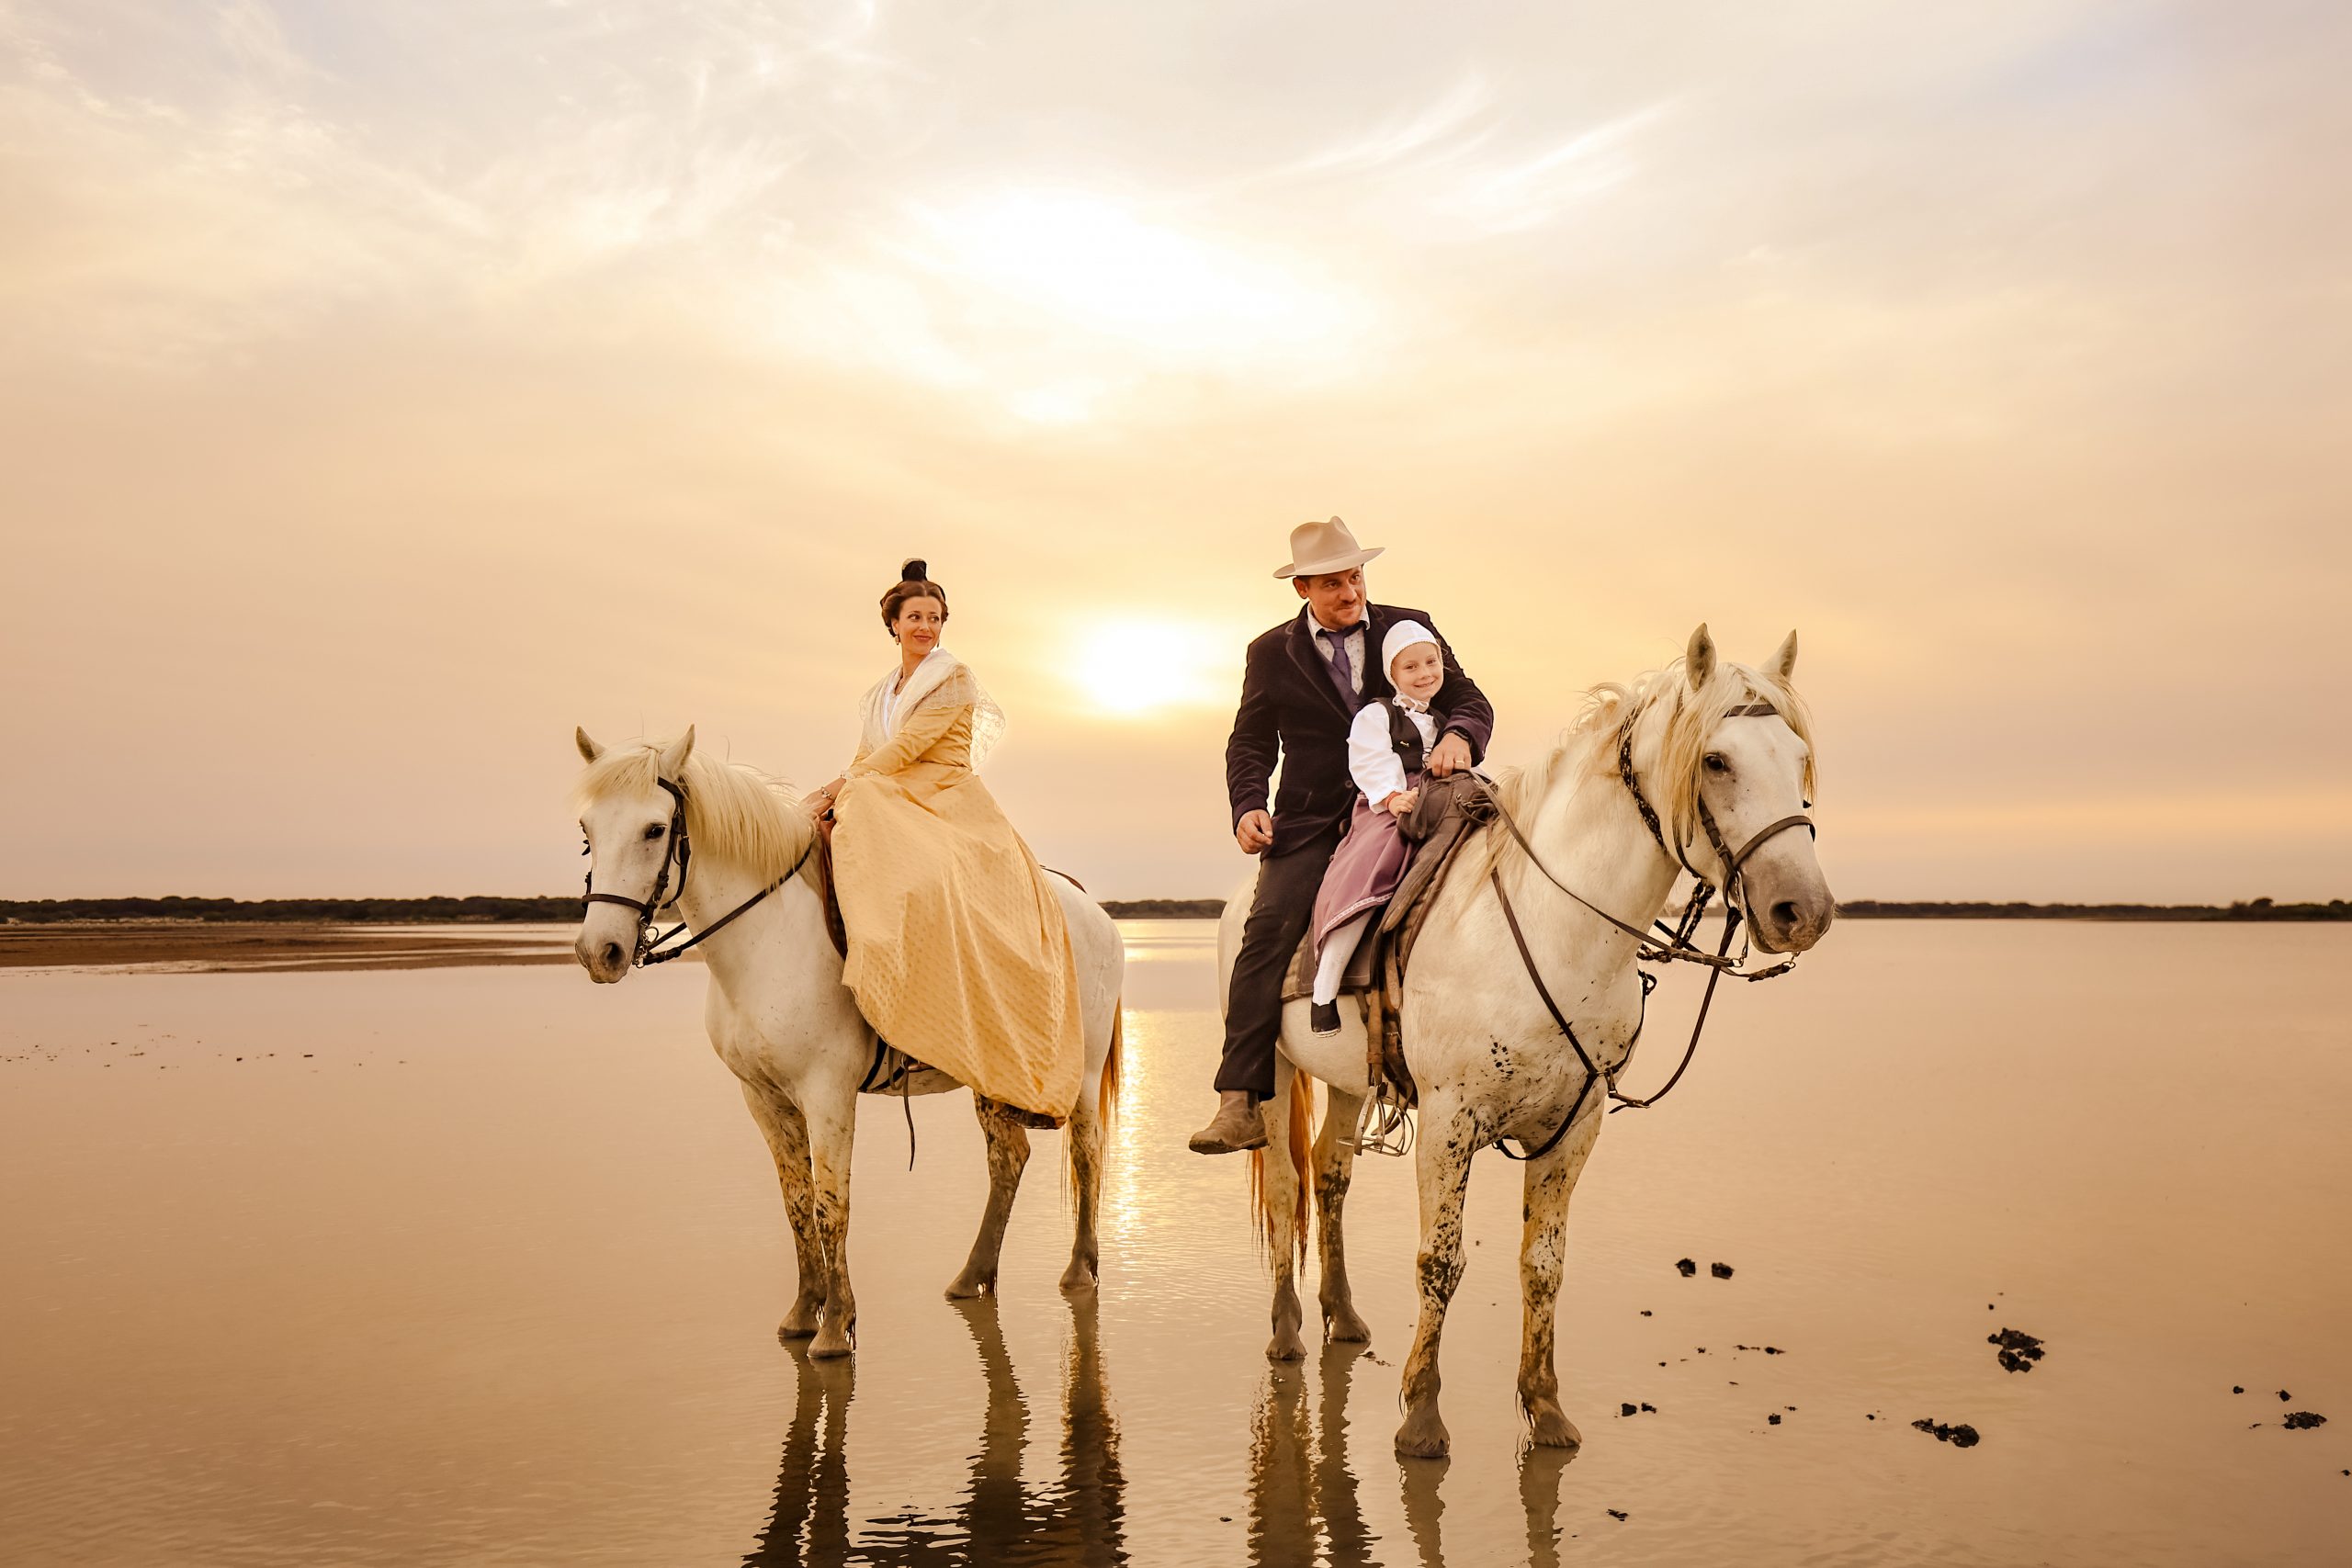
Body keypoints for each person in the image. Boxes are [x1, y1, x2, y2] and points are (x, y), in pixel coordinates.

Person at [1190, 520, 1493, 1155]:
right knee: (1267, 928)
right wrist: (1248, 804)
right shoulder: (1269, 652)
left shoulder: (1408, 625)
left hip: (1414, 804)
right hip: (1310, 818)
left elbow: (1468, 697)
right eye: (1333, 582)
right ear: (1302, 587)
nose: (1350, 591)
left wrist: (1461, 735)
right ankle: (1239, 1098)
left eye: (1355, 576)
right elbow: (1249, 741)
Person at [803, 560, 1083, 1122]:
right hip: (889, 787)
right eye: (915, 617)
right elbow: (868, 755)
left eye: (934, 617)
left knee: (904, 854)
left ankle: (909, 976)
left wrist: (838, 787)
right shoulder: (881, 692)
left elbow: (910, 747)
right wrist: (829, 794)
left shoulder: (951, 678)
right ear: (894, 625)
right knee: (826, 827)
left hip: (943, 789)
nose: (925, 626)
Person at [1305, 620, 1448, 1034]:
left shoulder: (1440, 720)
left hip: (1435, 799)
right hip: (1386, 805)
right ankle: (1325, 988)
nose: (1424, 674)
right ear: (1393, 674)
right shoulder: (1376, 714)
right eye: (1411, 667)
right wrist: (1391, 796)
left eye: (1431, 662)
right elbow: (1368, 760)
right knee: (1370, 870)